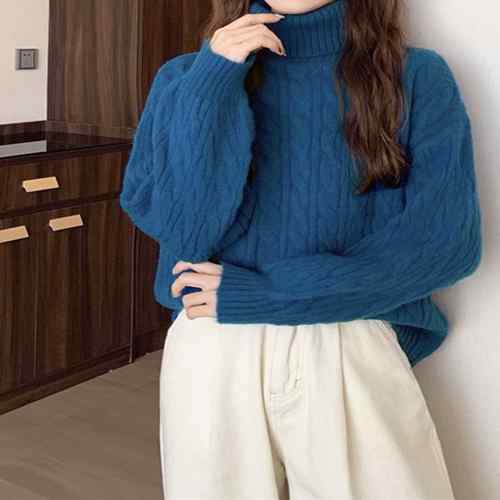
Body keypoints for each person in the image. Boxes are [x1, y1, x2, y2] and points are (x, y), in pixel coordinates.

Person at [119, 0, 482, 498]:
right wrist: (213, 81)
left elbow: (447, 243)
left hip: (347, 335)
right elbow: (182, 231)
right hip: (213, 342)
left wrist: (268, 292)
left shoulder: (415, 76)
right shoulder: (186, 78)